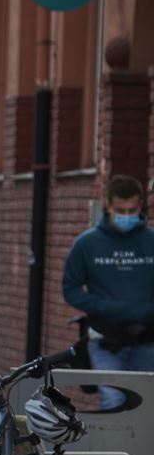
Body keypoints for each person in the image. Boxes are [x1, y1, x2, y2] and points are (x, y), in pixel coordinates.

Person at [62, 174, 154, 410]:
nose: (127, 216)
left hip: (147, 338)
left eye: (132, 210)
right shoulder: (87, 243)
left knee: (144, 407)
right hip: (105, 338)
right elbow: (70, 289)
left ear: (141, 205)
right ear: (108, 206)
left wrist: (145, 311)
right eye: (120, 210)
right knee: (113, 401)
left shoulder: (150, 240)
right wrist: (104, 307)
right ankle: (113, 448)